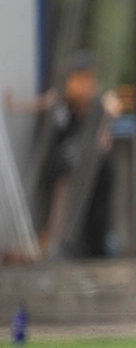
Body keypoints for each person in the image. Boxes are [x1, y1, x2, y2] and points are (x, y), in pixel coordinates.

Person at [6, 51, 121, 258]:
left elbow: (108, 121)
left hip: (92, 167)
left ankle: (93, 245)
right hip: (68, 165)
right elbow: (44, 104)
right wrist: (16, 106)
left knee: (94, 211)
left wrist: (105, 132)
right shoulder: (63, 99)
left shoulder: (98, 102)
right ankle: (62, 243)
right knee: (63, 204)